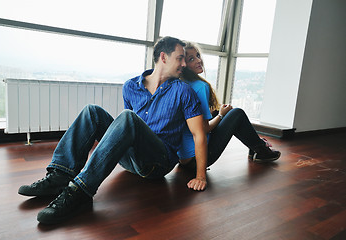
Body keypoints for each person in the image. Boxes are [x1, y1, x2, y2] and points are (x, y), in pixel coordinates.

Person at [18, 36, 208, 225]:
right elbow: (125, 131)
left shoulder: (183, 91)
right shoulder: (131, 86)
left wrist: (200, 176)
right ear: (164, 57)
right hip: (132, 161)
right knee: (92, 112)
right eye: (180, 58)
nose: (184, 64)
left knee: (127, 117)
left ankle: (80, 192)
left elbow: (198, 134)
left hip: (158, 163)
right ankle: (60, 176)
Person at [177, 42, 281, 170]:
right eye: (191, 59)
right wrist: (221, 115)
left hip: (183, 160)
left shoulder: (179, 84)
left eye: (198, 55)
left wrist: (218, 113)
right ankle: (261, 150)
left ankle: (256, 146)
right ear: (184, 65)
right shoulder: (199, 87)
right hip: (199, 158)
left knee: (216, 112)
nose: (199, 60)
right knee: (237, 114)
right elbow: (204, 129)